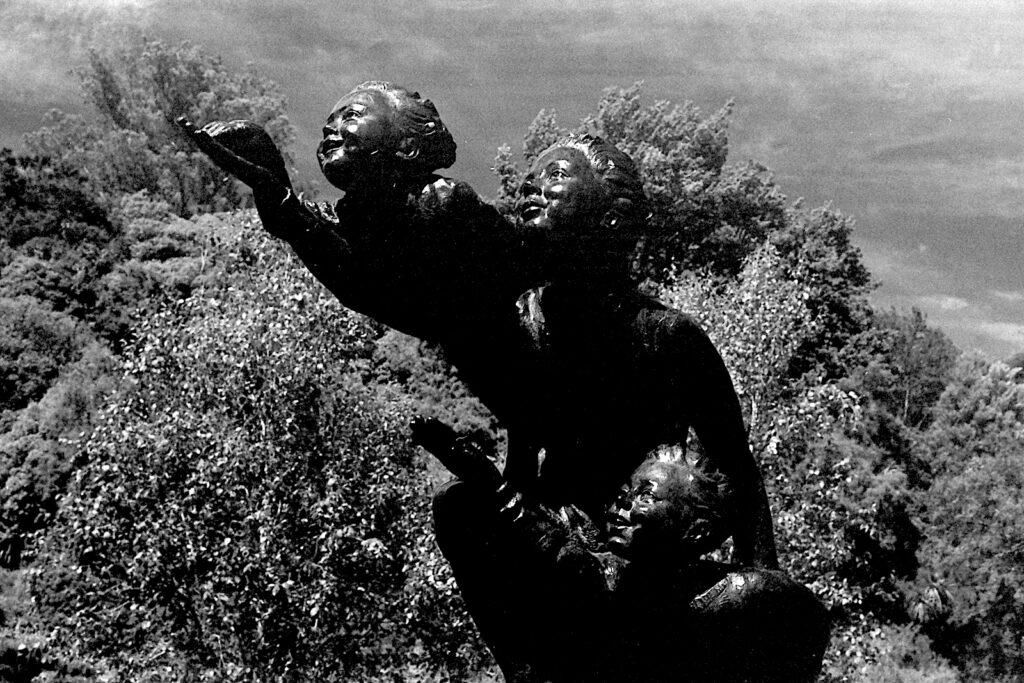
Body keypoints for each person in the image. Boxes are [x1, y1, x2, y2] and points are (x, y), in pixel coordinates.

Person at [179, 92, 775, 568]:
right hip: (558, 534)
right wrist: (280, 199)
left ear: (612, 216)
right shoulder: (515, 316)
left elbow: (735, 466)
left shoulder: (666, 338)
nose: (529, 189)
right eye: (528, 182)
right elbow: (386, 295)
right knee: (463, 512)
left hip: (652, 541)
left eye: (556, 177)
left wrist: (759, 582)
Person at [423, 427, 829, 683]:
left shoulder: (751, 593)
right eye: (623, 495)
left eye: (644, 497)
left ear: (697, 530)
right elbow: (577, 568)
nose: (621, 507)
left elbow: (800, 628)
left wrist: (493, 484)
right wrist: (491, 483)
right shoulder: (615, 576)